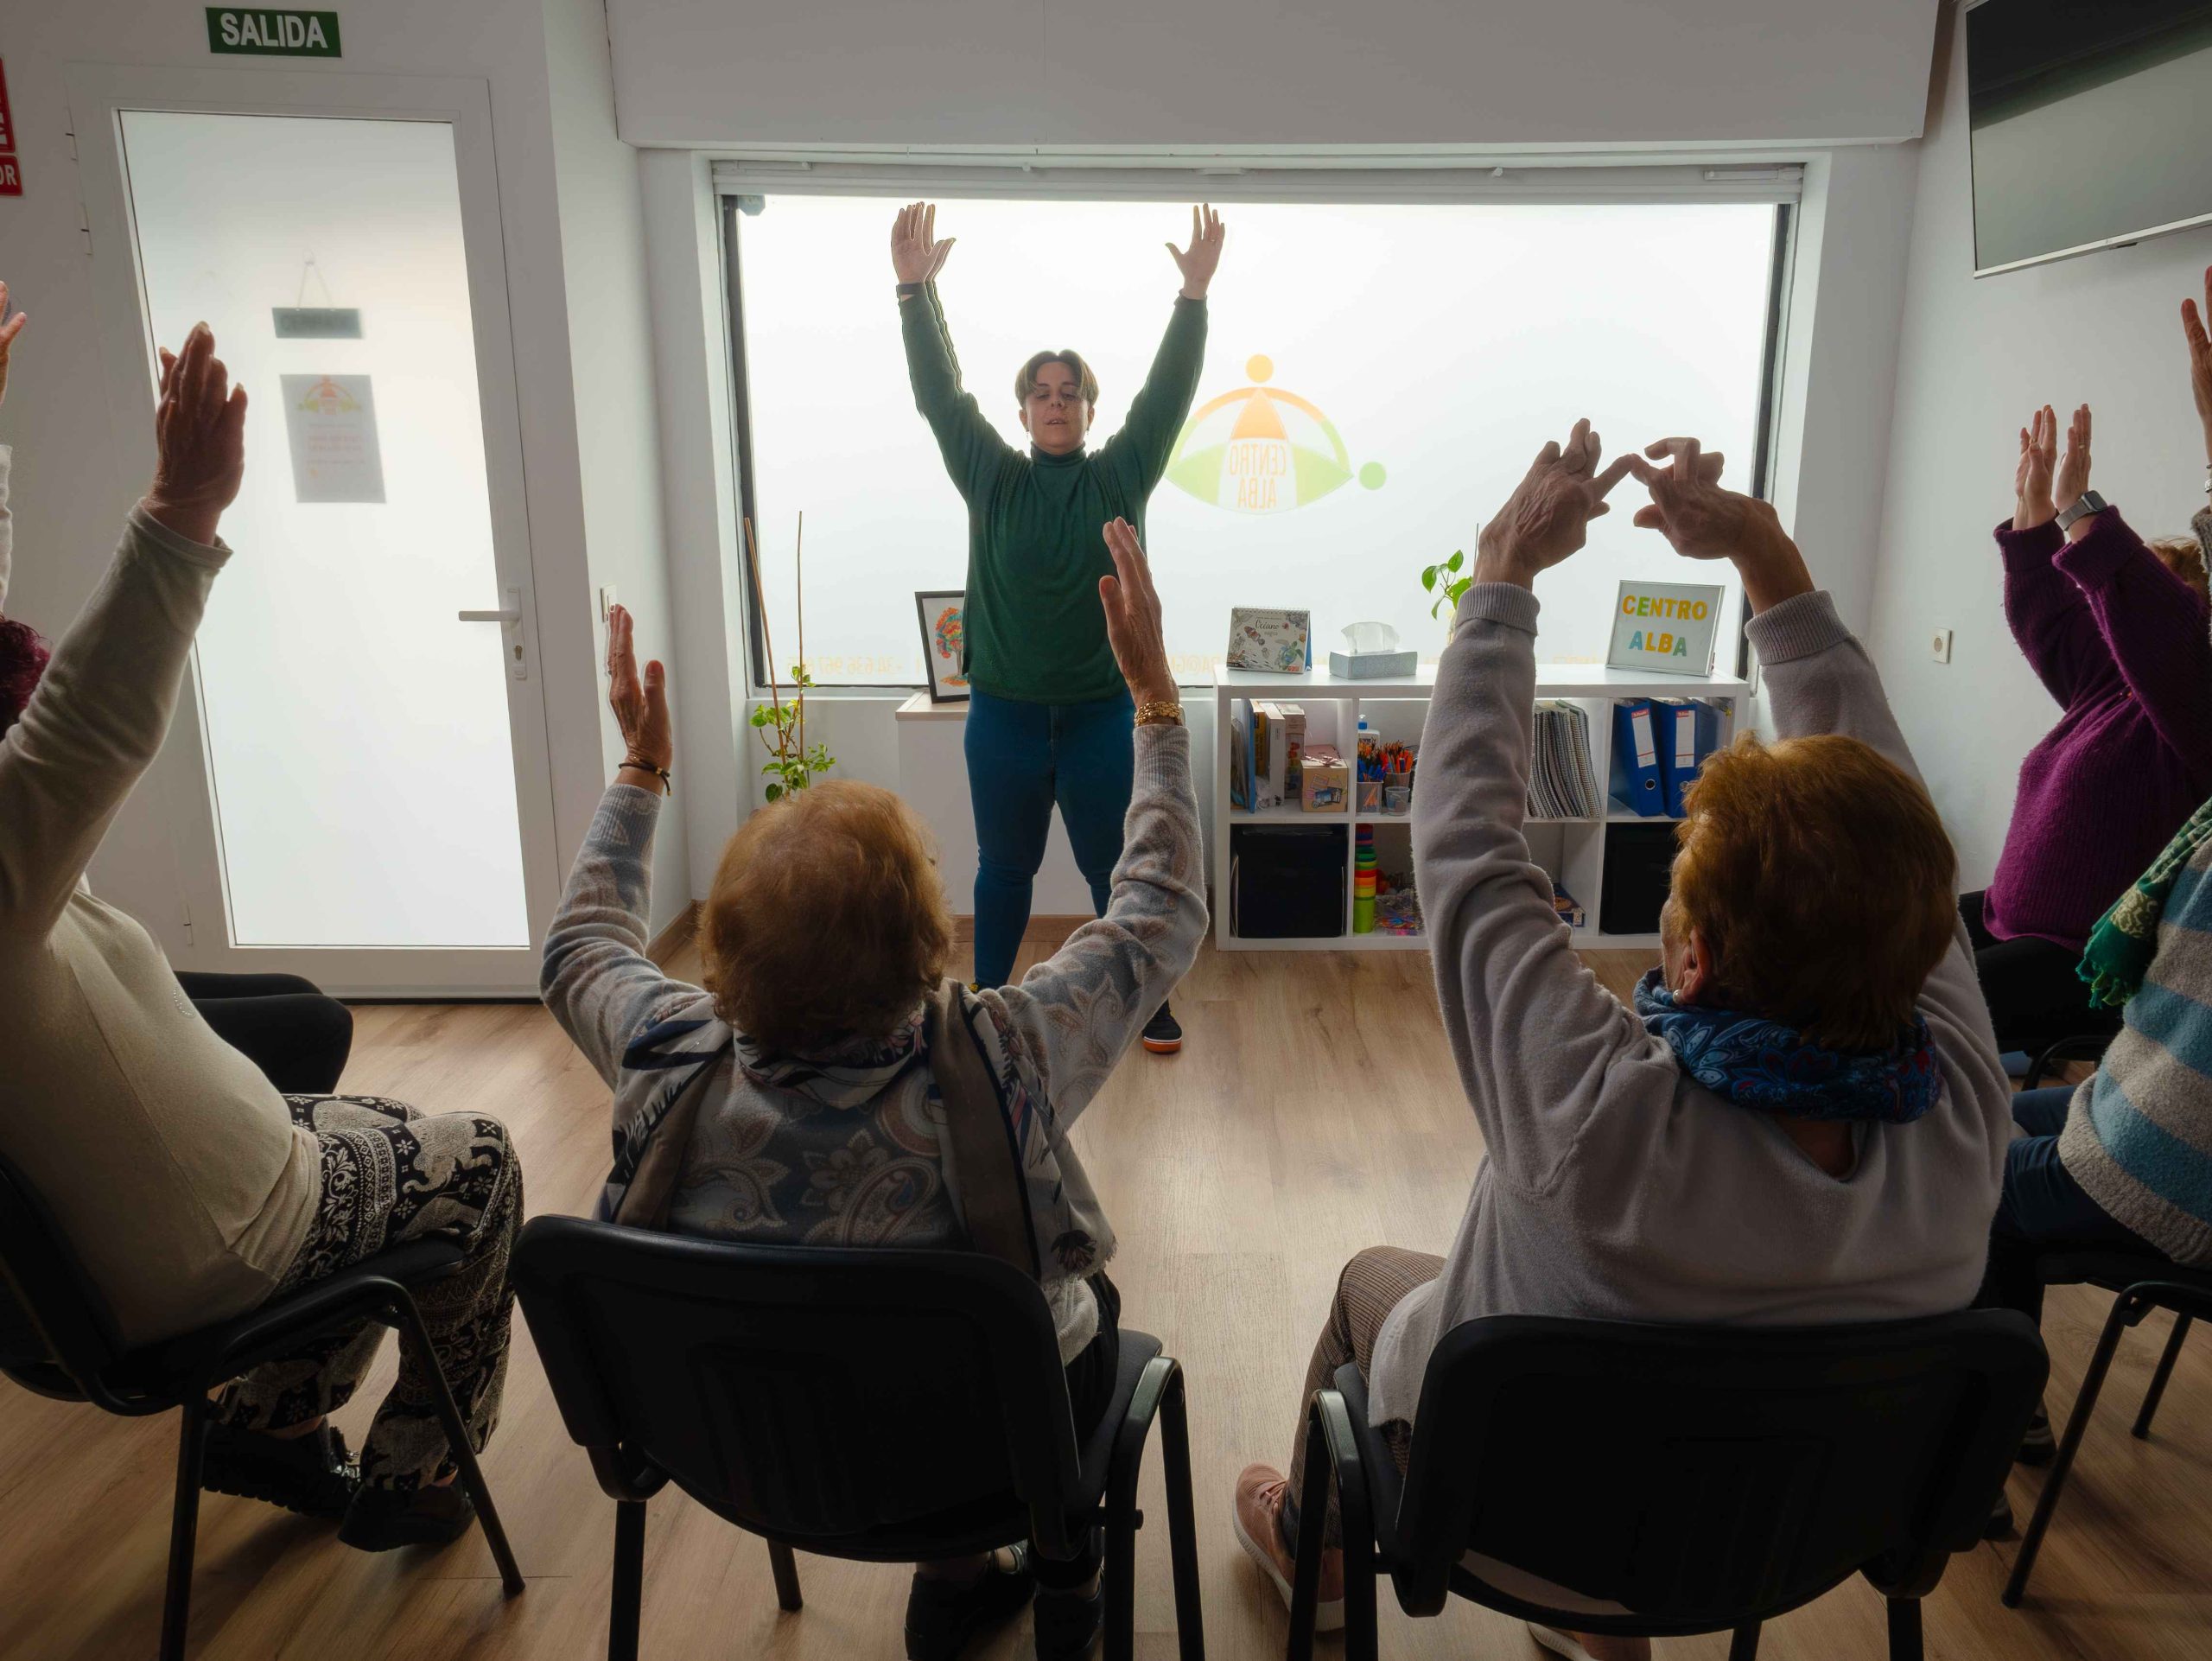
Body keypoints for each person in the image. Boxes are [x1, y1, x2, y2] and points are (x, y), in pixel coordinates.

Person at [1228, 424, 2013, 1661]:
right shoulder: (1969, 1116)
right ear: (1923, 955)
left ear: (1691, 960)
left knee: (1368, 1285)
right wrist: (1763, 555)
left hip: (1505, 1523)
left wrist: (1506, 566)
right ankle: (1607, 1634)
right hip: (1786, 1545)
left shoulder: (1596, 1113)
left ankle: (1318, 1558)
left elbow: (1466, 849)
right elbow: (1879, 783)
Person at [542, 519, 1205, 1661]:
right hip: (985, 1452)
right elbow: (1156, 908)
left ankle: (955, 1577)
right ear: (924, 943)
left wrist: (641, 770)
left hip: (734, 1446)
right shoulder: (1007, 1053)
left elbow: (580, 944)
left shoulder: (661, 1042)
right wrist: (1153, 703)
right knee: (1066, 1301)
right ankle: (1031, 1560)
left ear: (726, 950)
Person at [0, 319, 518, 1551]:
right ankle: (419, 1475)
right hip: (207, 1246)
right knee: (480, 1162)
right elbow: (89, 726)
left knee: (375, 1129)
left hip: (152, 1236)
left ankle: (272, 1428)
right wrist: (182, 506)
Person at [0, 286, 355, 1096]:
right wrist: (182, 508)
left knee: (303, 1006)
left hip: (70, 967)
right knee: (318, 1026)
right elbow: (89, 734)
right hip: (55, 1012)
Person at [891, 200, 1223, 1053]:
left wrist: (1191, 296)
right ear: (1022, 410)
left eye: (1069, 391)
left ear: (1087, 408)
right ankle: (987, 1010)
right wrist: (913, 293)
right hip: (1001, 716)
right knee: (1003, 869)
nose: (1054, 401)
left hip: (1099, 716)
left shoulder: (1119, 473)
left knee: (1117, 873)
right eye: (1040, 392)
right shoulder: (991, 477)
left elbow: (1167, 395)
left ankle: (1143, 999)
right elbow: (941, 396)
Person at [1966, 370, 2212, 1061]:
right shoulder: (2108, 688)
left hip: (2076, 964)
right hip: (2006, 921)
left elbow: (2159, 632)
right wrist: (2034, 513)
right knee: (1865, 942)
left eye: (2115, 600)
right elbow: (2046, 618)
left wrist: (2083, 513)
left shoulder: (2192, 714)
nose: (2104, 611)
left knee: (1902, 1012)